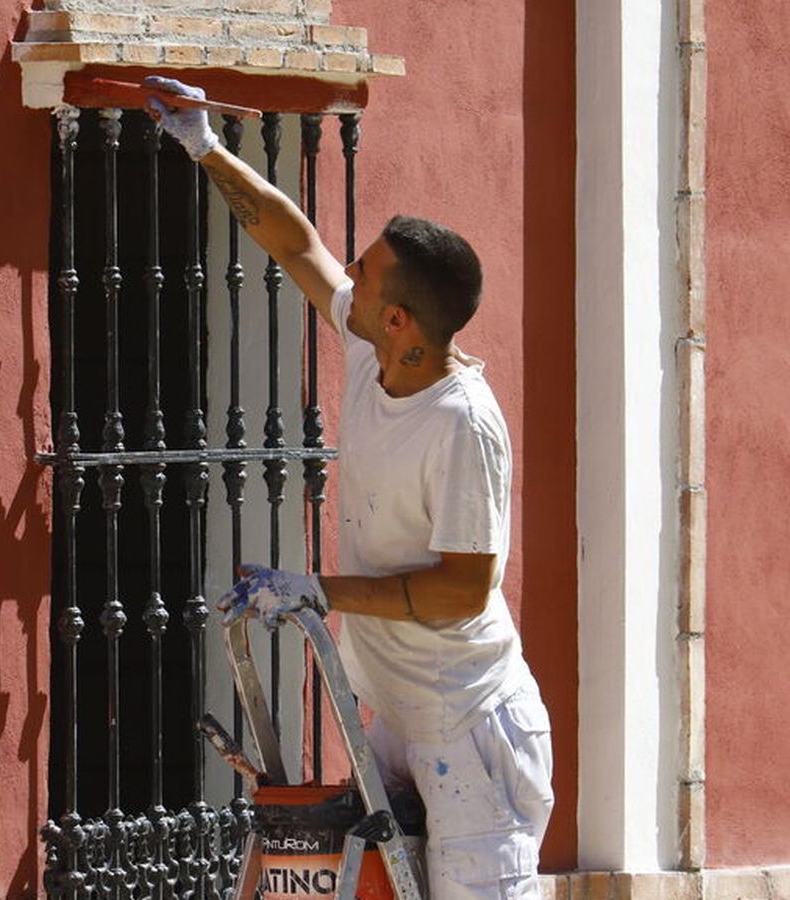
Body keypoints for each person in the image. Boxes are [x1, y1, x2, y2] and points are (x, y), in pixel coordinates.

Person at [145, 76, 554, 900]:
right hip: (399, 716)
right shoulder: (377, 351)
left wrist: (316, 591)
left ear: (400, 321)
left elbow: (464, 590)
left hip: (470, 727)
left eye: (363, 276)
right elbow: (297, 246)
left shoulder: (461, 425)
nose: (348, 282)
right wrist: (205, 146)